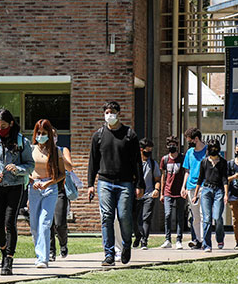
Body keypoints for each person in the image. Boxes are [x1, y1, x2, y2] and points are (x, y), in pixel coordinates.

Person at [87, 101, 145, 266]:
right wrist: (90, 184)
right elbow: (93, 162)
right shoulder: (98, 135)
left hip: (125, 182)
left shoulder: (129, 135)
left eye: (112, 112)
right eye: (106, 112)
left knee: (124, 216)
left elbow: (137, 162)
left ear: (119, 113)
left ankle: (126, 245)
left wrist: (140, 184)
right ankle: (109, 254)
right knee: (107, 218)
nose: (109, 115)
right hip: (104, 182)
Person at [0, 108, 34, 276]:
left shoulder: (21, 141)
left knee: (10, 223)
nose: (0, 129)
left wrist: (17, 168)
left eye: (3, 125)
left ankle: (8, 259)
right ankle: (4, 250)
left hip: (15, 187)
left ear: (11, 124)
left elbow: (30, 165)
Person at [29, 119, 65, 268]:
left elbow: (62, 174)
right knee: (34, 225)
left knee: (45, 223)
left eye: (44, 133)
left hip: (50, 188)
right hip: (34, 188)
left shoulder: (56, 151)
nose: (41, 136)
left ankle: (43, 258)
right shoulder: (31, 149)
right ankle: (39, 254)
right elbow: (26, 170)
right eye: (39, 133)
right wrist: (32, 180)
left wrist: (48, 183)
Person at [193, 139, 228, 253]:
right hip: (206, 190)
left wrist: (226, 194)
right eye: (211, 148)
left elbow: (225, 179)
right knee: (207, 219)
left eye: (215, 148)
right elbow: (200, 178)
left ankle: (220, 238)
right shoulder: (204, 162)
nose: (214, 150)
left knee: (217, 217)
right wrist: (196, 194)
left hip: (219, 191)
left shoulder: (223, 162)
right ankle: (207, 244)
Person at [50, 128, 74, 262]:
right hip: (45, 190)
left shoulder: (63, 150)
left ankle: (63, 243)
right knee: (48, 223)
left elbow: (70, 167)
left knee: (59, 223)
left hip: (60, 191)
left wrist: (59, 154)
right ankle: (51, 251)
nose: (51, 138)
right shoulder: (42, 151)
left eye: (54, 136)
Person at [133, 138, 161, 250]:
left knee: (146, 218)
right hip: (135, 194)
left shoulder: (153, 164)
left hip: (149, 194)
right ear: (141, 150)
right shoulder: (134, 163)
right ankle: (138, 235)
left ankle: (144, 241)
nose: (149, 152)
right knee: (133, 219)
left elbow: (157, 179)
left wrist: (157, 190)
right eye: (147, 149)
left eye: (151, 150)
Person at [181, 127, 206, 250]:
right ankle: (198, 240)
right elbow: (187, 170)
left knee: (204, 214)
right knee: (195, 216)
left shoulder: (207, 151)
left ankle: (204, 240)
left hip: (204, 186)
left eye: (190, 140)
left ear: (196, 139)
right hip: (191, 187)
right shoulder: (189, 152)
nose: (189, 143)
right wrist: (183, 186)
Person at [159, 136, 186, 250]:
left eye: (174, 145)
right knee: (167, 214)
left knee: (180, 216)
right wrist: (162, 192)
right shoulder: (164, 159)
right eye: (170, 145)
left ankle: (179, 239)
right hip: (168, 191)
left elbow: (186, 173)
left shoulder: (182, 158)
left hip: (179, 191)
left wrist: (184, 188)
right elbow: (163, 176)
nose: (172, 147)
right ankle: (167, 239)